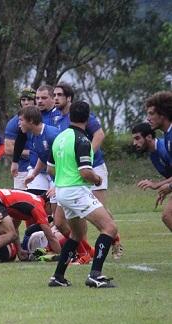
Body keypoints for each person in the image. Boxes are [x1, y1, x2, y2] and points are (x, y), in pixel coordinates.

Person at [47, 101, 118, 288]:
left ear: (70, 116)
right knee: (109, 227)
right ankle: (95, 275)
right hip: (76, 191)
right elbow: (85, 172)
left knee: (76, 235)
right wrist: (97, 180)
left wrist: (64, 178)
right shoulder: (83, 140)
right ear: (87, 118)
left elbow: (50, 169)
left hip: (62, 191)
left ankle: (58, 277)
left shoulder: (59, 138)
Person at [52, 82, 122, 259]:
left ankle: (115, 242)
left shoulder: (84, 115)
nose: (55, 98)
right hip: (73, 177)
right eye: (54, 95)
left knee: (101, 212)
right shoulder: (58, 119)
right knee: (60, 221)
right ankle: (87, 251)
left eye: (59, 95)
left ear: (69, 98)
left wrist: (85, 157)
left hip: (92, 168)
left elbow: (100, 135)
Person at [11, 85, 61, 194]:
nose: (39, 101)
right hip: (39, 169)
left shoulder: (57, 121)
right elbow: (43, 156)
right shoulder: (31, 129)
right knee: (34, 201)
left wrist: (58, 184)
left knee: (57, 203)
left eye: (43, 98)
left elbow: (65, 158)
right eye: (37, 98)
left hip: (60, 173)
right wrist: (32, 173)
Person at [139, 92, 172, 231]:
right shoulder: (168, 136)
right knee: (167, 215)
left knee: (167, 215)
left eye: (152, 113)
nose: (148, 118)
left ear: (163, 114)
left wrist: (168, 186)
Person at [4, 87, 36, 190]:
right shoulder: (14, 122)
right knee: (22, 202)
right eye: (23, 100)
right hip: (22, 169)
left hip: (41, 169)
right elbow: (8, 149)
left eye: (29, 99)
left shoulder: (43, 118)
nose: (26, 103)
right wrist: (33, 152)